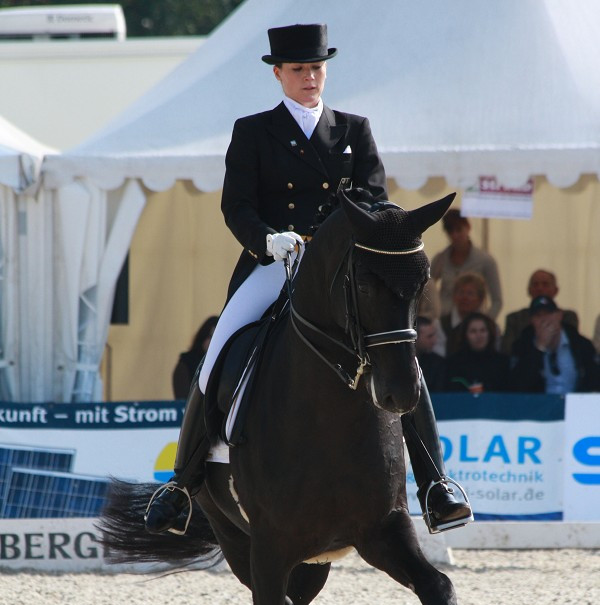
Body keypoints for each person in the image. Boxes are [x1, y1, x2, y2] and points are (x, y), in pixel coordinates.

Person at [144, 23, 472, 535]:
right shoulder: (253, 131)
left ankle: (435, 485)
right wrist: (268, 239)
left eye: (317, 68)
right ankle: (181, 484)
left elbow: (375, 198)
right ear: (278, 74)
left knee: (398, 352)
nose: (310, 77)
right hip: (274, 264)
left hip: (341, 273)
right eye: (298, 69)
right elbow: (237, 206)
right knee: (219, 352)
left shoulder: (353, 129)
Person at [509, 295, 599, 394]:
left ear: (559, 315)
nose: (544, 319)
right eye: (538, 315)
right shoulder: (521, 346)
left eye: (548, 313)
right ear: (531, 320)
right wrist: (539, 347)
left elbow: (594, 381)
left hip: (575, 406)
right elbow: (518, 385)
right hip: (539, 407)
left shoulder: (582, 344)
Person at [430, 208, 503, 320]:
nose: (455, 235)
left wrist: (485, 324)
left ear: (468, 227)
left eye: (459, 229)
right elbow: (426, 289)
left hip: (473, 323)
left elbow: (497, 301)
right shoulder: (440, 259)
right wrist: (433, 317)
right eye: (450, 231)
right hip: (444, 323)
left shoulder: (486, 260)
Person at [501, 269, 579, 354]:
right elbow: (507, 349)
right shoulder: (515, 319)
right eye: (535, 284)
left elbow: (573, 345)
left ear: (556, 290)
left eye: (545, 284)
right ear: (529, 290)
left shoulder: (568, 317)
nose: (540, 288)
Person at [446, 313, 510, 393]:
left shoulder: (502, 362)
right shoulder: (453, 363)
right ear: (465, 335)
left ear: (490, 333)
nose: (479, 335)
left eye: (483, 330)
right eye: (473, 331)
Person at [440, 272, 494, 355]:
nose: (464, 298)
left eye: (470, 293)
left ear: (480, 299)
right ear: (454, 296)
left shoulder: (490, 325)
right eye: (461, 292)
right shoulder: (440, 325)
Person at [172, 316, 218, 399]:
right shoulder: (186, 364)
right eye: (210, 336)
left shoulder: (226, 363)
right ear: (203, 337)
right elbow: (183, 401)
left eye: (217, 338)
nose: (213, 342)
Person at [416, 316, 447, 392]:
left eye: (434, 335)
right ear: (415, 338)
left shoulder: (438, 362)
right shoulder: (400, 363)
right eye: (429, 336)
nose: (434, 340)